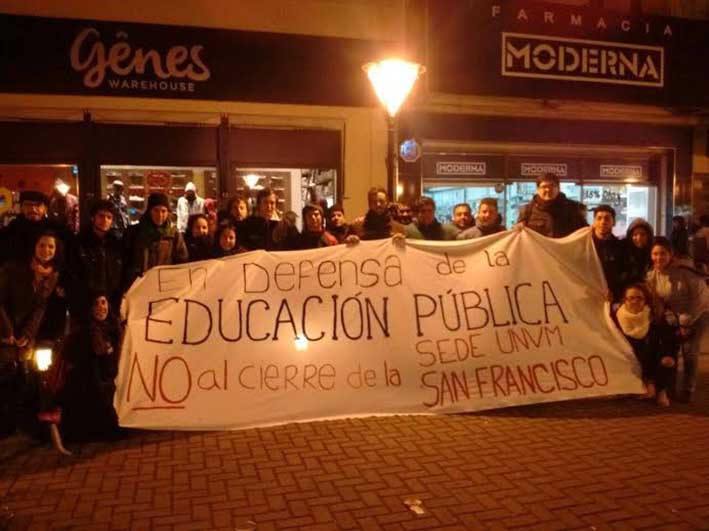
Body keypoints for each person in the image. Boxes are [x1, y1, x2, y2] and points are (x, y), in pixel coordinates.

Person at [0, 231, 67, 436]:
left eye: (51, 247)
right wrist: (8, 331)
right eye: (42, 246)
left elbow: (40, 307)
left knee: (26, 376)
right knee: (6, 375)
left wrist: (28, 335)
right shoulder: (14, 269)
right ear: (34, 247)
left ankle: (20, 423)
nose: (46, 251)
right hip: (5, 327)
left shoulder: (53, 275)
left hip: (26, 334)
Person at [645, 237, 709, 403]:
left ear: (671, 254)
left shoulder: (685, 271)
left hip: (698, 314)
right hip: (673, 317)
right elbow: (657, 300)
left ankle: (688, 388)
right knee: (670, 351)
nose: (659, 258)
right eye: (655, 254)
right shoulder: (651, 275)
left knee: (689, 352)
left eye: (663, 254)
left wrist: (686, 321)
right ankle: (669, 387)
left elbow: (701, 297)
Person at [59, 293, 121, 441]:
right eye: (96, 304)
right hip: (91, 386)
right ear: (90, 309)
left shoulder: (111, 327)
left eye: (103, 302)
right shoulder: (88, 331)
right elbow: (97, 356)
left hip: (105, 378)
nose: (101, 308)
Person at [612, 284, 676, 407]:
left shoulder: (654, 317)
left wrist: (650, 378)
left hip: (652, 357)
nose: (635, 301)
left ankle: (661, 391)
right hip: (629, 358)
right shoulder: (616, 317)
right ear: (624, 300)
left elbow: (667, 341)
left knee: (667, 361)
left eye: (639, 298)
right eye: (630, 298)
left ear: (645, 300)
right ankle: (632, 387)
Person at [67, 200, 124, 324]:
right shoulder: (80, 242)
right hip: (85, 301)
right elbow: (73, 271)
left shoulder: (116, 243)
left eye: (109, 217)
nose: (105, 220)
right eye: (101, 216)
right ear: (93, 217)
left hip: (111, 301)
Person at [123, 192, 188, 290]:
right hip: (139, 285)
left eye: (163, 211)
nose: (160, 215)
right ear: (149, 211)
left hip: (164, 285)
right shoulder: (135, 232)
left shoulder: (173, 234)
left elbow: (182, 259)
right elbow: (126, 260)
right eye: (156, 210)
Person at [0, 190, 69, 266]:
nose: (33, 209)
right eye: (28, 205)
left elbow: (68, 255)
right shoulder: (13, 227)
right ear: (22, 208)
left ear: (45, 208)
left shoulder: (56, 228)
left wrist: (53, 268)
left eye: (38, 205)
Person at [517, 173, 587, 237]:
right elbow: (518, 235)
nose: (548, 189)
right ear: (538, 189)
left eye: (552, 186)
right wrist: (518, 228)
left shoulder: (573, 209)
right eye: (544, 186)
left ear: (559, 188)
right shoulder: (527, 211)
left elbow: (584, 233)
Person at [590, 205, 624, 301]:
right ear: (594, 222)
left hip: (612, 298)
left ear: (614, 222)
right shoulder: (584, 244)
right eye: (599, 218)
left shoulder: (620, 247)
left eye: (607, 218)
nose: (603, 222)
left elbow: (622, 275)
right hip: (587, 296)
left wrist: (615, 293)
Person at [620, 218, 654, 289]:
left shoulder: (653, 250)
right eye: (635, 235)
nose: (639, 238)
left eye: (643, 234)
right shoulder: (623, 249)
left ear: (648, 236)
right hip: (626, 290)